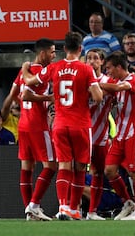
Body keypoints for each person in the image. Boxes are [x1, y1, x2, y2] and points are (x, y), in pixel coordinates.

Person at [22, 32, 103, 220]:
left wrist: (26, 68)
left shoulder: (54, 67)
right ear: (80, 49)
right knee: (80, 167)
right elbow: (98, 97)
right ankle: (74, 209)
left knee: (64, 166)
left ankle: (63, 207)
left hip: (59, 124)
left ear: (64, 49)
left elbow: (30, 81)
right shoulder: (86, 69)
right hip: (80, 124)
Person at [11, 38, 57, 221]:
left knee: (27, 167)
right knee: (51, 166)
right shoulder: (42, 71)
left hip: (23, 123)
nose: (54, 55)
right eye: (52, 52)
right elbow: (27, 95)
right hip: (38, 124)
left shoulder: (24, 71)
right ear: (43, 53)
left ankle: (29, 211)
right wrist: (49, 99)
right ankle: (34, 205)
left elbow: (15, 94)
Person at [100, 51, 135, 220]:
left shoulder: (132, 80)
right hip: (120, 135)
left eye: (109, 68)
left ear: (119, 67)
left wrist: (95, 83)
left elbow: (118, 88)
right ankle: (128, 202)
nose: (108, 72)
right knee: (110, 170)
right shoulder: (115, 81)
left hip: (134, 134)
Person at [85, 48, 115, 220]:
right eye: (89, 58)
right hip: (82, 132)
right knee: (76, 171)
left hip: (101, 134)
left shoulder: (108, 81)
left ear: (102, 62)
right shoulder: (81, 79)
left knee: (99, 173)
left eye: (96, 58)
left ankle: (92, 212)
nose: (92, 61)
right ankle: (68, 208)